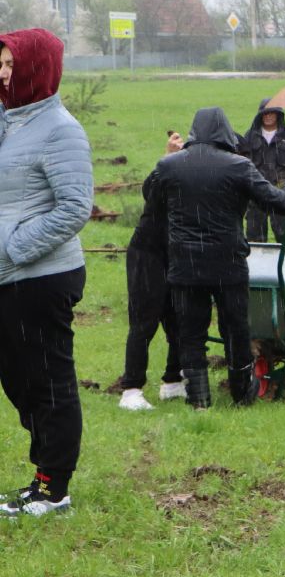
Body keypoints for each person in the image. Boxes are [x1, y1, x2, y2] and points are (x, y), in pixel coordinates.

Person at [146, 107, 285, 408]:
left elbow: (150, 197)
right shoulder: (238, 166)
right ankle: (242, 394)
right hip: (227, 263)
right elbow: (280, 203)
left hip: (185, 264)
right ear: (224, 133)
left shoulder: (170, 167)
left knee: (190, 333)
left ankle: (199, 401)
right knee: (235, 329)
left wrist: (167, 159)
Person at [0, 28, 92, 517]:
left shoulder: (60, 129)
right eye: (1, 64)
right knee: (17, 378)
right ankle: (42, 473)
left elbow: (76, 207)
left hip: (40, 275)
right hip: (9, 277)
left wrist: (16, 248)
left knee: (47, 380)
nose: (2, 72)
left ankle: (54, 487)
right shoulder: (10, 121)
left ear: (37, 69)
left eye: (11, 65)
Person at [115, 130, 188, 410]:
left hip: (177, 253)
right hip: (148, 252)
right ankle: (131, 390)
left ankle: (172, 382)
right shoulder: (166, 172)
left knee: (179, 318)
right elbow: (149, 192)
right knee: (144, 321)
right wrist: (167, 158)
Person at [238, 99, 285, 245]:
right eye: (265, 113)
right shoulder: (250, 136)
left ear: (278, 115)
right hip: (256, 196)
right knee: (255, 243)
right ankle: (257, 269)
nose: (268, 116)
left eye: (272, 113)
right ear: (260, 116)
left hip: (282, 194)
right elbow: (241, 166)